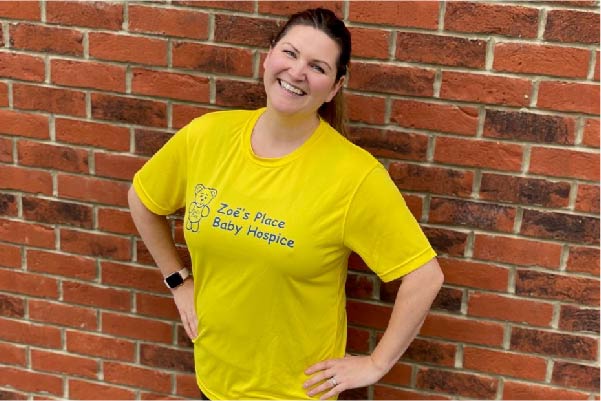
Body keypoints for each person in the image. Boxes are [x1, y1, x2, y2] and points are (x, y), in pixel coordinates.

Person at [128, 8, 443, 400]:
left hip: (297, 391)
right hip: (215, 378)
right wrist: (178, 281)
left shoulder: (354, 175)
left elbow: (424, 276)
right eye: (290, 53)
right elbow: (143, 200)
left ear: (334, 87)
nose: (297, 72)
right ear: (268, 56)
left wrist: (376, 364)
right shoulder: (206, 137)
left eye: (318, 66)